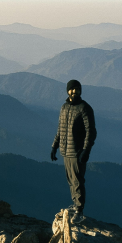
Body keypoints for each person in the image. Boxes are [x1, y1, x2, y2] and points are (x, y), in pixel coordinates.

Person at [50, 79, 97, 222]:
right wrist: (54, 146)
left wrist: (86, 150)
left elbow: (91, 132)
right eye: (72, 89)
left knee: (77, 181)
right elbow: (60, 129)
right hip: (66, 151)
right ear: (67, 91)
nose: (74, 92)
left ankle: (79, 210)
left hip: (77, 152)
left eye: (77, 89)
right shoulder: (64, 107)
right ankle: (75, 204)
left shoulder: (84, 108)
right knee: (70, 180)